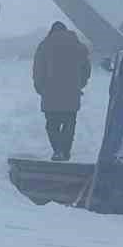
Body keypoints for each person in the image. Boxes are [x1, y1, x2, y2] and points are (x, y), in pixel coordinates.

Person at [33, 21, 92, 161]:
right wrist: (80, 84)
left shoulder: (44, 46)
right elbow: (86, 69)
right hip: (72, 92)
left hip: (50, 92)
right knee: (69, 123)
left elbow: (38, 70)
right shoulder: (79, 47)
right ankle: (65, 152)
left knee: (52, 124)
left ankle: (58, 150)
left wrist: (40, 87)